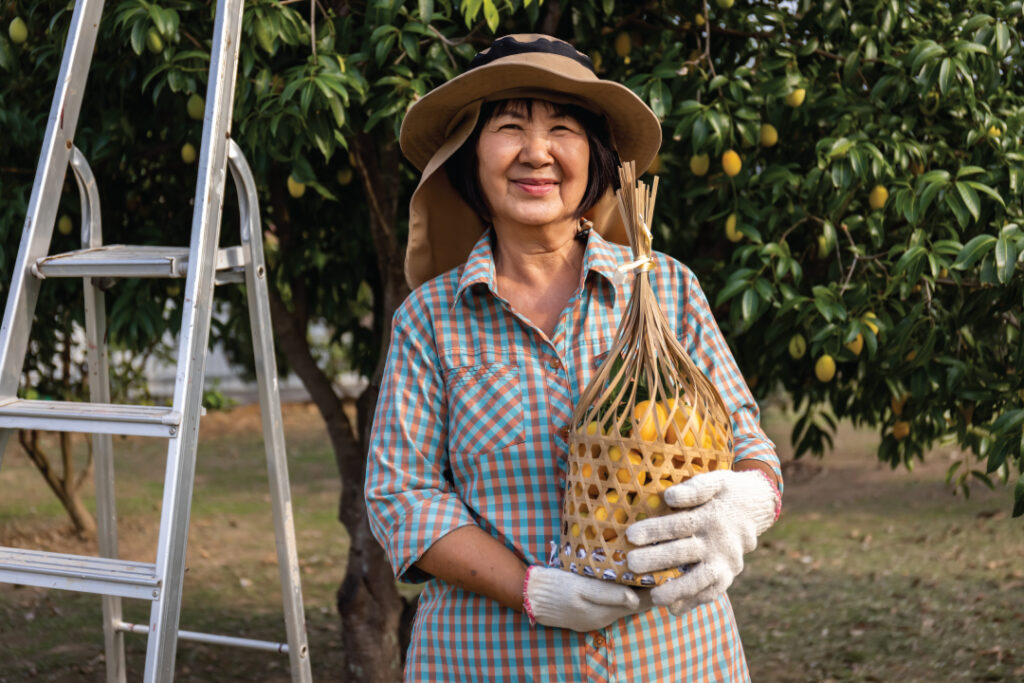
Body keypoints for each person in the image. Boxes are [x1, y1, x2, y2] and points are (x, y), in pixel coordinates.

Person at [365, 33, 783, 681]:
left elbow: (751, 447)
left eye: (563, 128)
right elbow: (402, 496)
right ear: (470, 157)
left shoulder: (665, 289)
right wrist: (532, 589)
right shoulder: (430, 320)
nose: (538, 152)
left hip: (674, 657)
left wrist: (745, 504)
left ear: (596, 157)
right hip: (490, 659)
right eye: (509, 127)